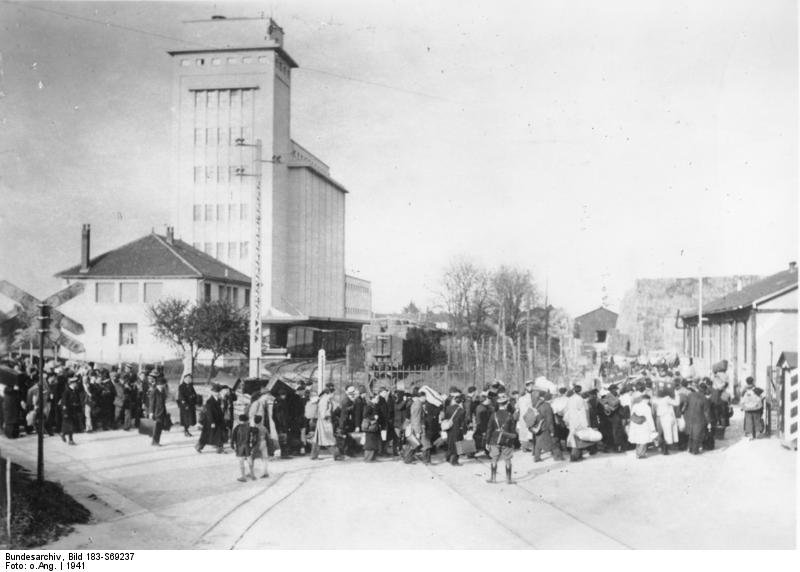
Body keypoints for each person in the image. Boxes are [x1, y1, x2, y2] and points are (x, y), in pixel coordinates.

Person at [485, 393, 517, 484]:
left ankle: (493, 478)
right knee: (508, 459)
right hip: (507, 440)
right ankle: (508, 479)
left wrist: (487, 442)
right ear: (506, 404)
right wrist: (512, 442)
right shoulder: (510, 415)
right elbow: (513, 430)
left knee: (494, 458)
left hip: (494, 440)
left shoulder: (493, 415)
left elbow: (489, 429)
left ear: (498, 404)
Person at [682, 382, 712, 454]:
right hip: (699, 418)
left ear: (698, 388)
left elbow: (685, 406)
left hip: (689, 417)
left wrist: (683, 413)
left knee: (690, 432)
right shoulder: (705, 399)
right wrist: (709, 422)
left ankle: (690, 448)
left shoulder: (690, 395)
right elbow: (706, 412)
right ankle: (695, 450)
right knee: (697, 434)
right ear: (705, 390)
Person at [533, 392, 563, 462]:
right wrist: (552, 430)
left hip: (538, 427)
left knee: (538, 443)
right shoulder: (547, 406)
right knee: (553, 442)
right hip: (545, 427)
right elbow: (550, 420)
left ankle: (536, 458)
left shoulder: (537, 405)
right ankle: (558, 457)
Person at [563, 384, 589, 462]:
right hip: (578, 421)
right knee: (577, 439)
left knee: (575, 438)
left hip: (572, 421)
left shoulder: (570, 399)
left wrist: (567, 420)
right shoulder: (580, 399)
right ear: (580, 391)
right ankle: (574, 457)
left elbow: (566, 411)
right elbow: (582, 412)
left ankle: (579, 455)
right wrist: (585, 423)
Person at [196, 384, 225, 453]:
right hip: (211, 421)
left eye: (218, 392)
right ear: (212, 392)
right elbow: (209, 413)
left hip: (218, 420)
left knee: (218, 434)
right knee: (207, 435)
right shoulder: (210, 401)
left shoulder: (218, 399)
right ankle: (199, 446)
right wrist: (212, 422)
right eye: (215, 392)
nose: (217, 393)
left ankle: (219, 448)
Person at [311, 384, 337, 460]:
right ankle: (336, 454)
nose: (334, 395)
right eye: (333, 393)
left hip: (322, 421)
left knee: (317, 439)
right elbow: (323, 412)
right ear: (329, 393)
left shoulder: (325, 399)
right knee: (328, 438)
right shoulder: (325, 399)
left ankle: (313, 455)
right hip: (325, 421)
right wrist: (328, 417)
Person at [628, 393, 656, 458]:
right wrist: (653, 428)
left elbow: (632, 415)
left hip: (635, 424)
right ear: (647, 400)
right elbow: (649, 418)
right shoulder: (647, 407)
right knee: (644, 440)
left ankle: (638, 453)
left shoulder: (635, 405)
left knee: (638, 440)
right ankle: (641, 454)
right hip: (644, 425)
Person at [402, 390, 427, 464]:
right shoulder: (418, 404)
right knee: (413, 444)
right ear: (422, 397)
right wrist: (417, 430)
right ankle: (407, 459)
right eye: (425, 397)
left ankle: (408, 459)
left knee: (412, 444)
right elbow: (416, 418)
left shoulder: (416, 403)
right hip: (416, 426)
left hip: (414, 425)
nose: (426, 398)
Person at [442, 391, 466, 466]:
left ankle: (448, 457)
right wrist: (465, 431)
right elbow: (462, 422)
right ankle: (454, 461)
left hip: (449, 428)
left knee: (450, 443)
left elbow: (446, 418)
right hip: (458, 429)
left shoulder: (448, 408)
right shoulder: (462, 410)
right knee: (458, 444)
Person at [653, 389, 680, 454]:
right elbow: (677, 403)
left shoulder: (654, 399)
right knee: (667, 433)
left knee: (661, 433)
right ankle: (666, 449)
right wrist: (677, 394)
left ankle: (661, 447)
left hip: (658, 417)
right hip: (666, 417)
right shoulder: (666, 399)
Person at [59, 376, 82, 445]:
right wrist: (65, 412)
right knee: (70, 426)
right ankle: (70, 440)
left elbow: (77, 400)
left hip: (73, 410)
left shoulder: (75, 391)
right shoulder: (66, 392)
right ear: (72, 383)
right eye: (75, 383)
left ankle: (63, 433)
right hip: (68, 411)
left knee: (70, 425)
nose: (76, 384)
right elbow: (64, 403)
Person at [516, 380, 536, 452]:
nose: (531, 387)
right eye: (530, 385)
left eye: (532, 385)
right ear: (527, 387)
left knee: (526, 432)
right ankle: (524, 447)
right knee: (525, 432)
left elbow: (517, 406)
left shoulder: (522, 397)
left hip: (527, 416)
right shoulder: (526, 397)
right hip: (526, 417)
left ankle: (525, 447)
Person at [149, 378, 169, 446]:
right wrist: (151, 412)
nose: (161, 386)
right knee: (157, 428)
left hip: (162, 411)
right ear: (157, 385)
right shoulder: (154, 392)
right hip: (156, 412)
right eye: (159, 384)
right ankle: (154, 442)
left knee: (159, 428)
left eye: (162, 384)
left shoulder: (162, 391)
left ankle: (156, 441)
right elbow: (152, 403)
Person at [362, 394, 382, 462]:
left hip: (373, 427)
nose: (378, 400)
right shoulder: (369, 406)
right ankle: (368, 458)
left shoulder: (374, 406)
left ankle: (372, 458)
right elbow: (365, 415)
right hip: (370, 427)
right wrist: (373, 417)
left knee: (373, 443)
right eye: (377, 398)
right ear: (372, 399)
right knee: (370, 443)